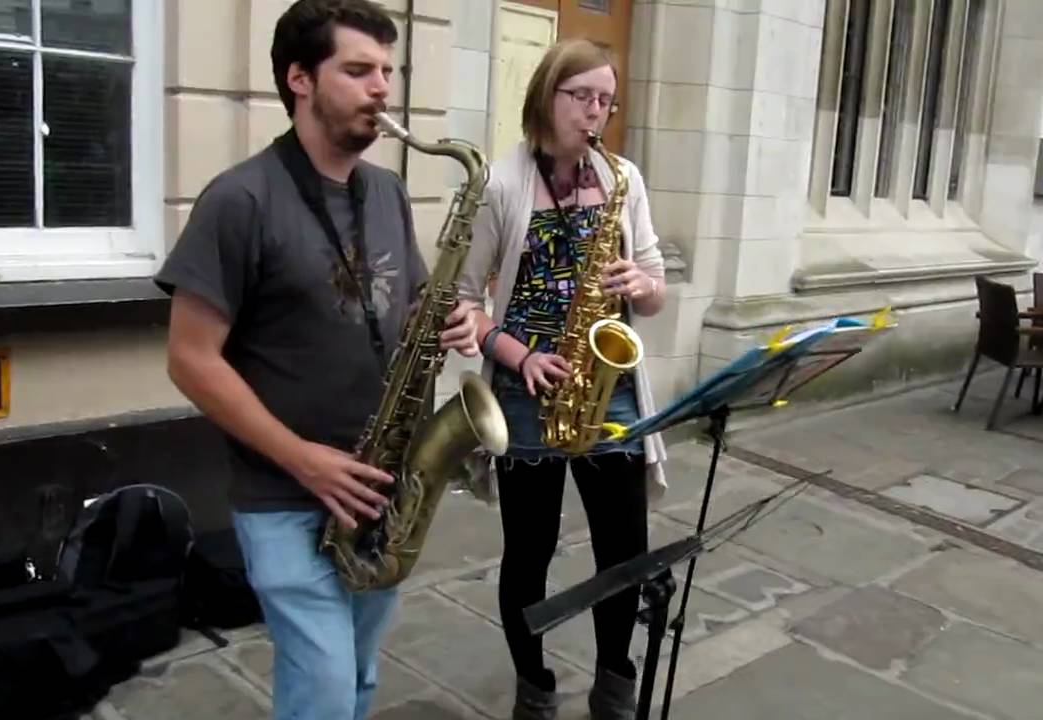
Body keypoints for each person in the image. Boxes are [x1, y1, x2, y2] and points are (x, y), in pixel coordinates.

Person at [154, 1, 479, 718]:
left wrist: (451, 317)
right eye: (358, 70)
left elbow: (409, 298)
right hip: (286, 494)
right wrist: (302, 459)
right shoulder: (240, 199)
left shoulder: (387, 191)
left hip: (382, 485)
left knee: (357, 678)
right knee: (324, 691)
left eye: (387, 70)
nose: (382, 88)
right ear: (299, 79)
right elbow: (190, 359)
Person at [457, 38, 669, 720]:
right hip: (526, 394)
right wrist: (519, 356)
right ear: (547, 96)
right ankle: (534, 686)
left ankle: (615, 682)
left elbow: (656, 286)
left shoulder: (623, 179)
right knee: (529, 553)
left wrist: (642, 283)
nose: (596, 112)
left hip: (609, 391)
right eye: (583, 97)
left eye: (607, 100)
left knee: (625, 552)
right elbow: (462, 303)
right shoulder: (499, 184)